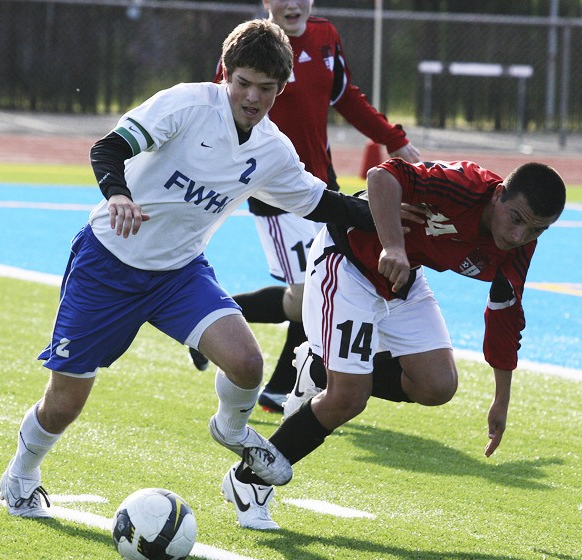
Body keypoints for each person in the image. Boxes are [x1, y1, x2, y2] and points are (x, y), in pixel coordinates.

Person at [0, 18, 375, 518]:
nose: (251, 97)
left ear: (281, 89)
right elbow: (107, 147)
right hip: (108, 264)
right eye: (243, 83)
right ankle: (22, 472)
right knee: (64, 403)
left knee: (247, 364)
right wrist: (119, 195)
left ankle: (233, 429)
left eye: (266, 88)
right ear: (225, 74)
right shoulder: (187, 104)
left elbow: (319, 202)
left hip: (179, 274)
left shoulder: (271, 149)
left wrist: (393, 216)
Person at [219, 158, 566, 529]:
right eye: (516, 219)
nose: (518, 237)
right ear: (498, 196)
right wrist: (394, 245)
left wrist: (502, 400)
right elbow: (381, 176)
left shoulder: (520, 243)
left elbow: (506, 314)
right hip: (348, 260)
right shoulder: (465, 184)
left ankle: (320, 369)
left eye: (535, 231)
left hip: (402, 280)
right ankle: (247, 481)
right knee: (348, 398)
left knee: (437, 385)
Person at [189, 0, 420, 414]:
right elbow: (217, 115)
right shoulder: (249, 47)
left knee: (307, 297)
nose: (292, 3)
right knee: (309, 295)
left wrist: (394, 137)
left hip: (321, 188)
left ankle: (212, 325)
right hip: (273, 192)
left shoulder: (326, 37)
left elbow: (347, 98)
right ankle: (281, 387)